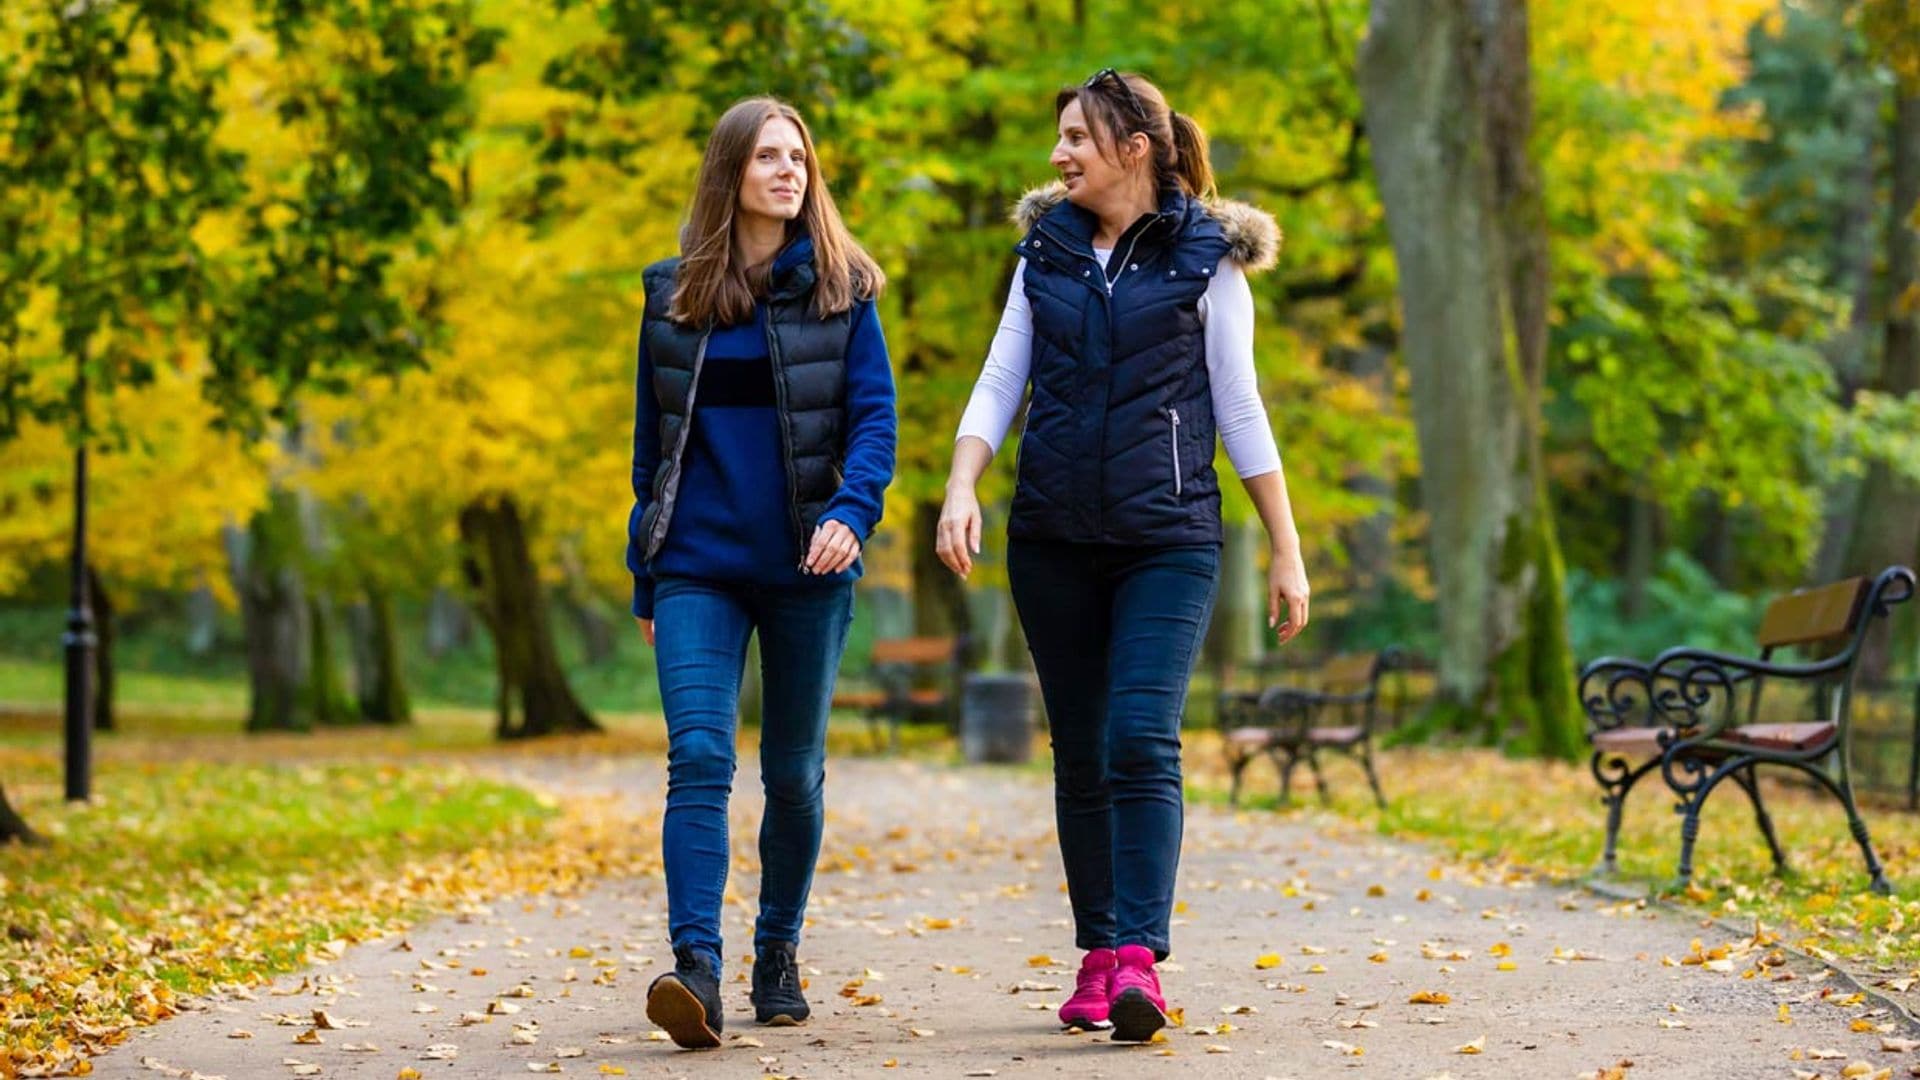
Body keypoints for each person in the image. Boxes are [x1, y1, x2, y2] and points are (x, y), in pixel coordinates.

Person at [935, 69, 1307, 1043]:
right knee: (1082, 752)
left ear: (1133, 146)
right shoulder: (1043, 252)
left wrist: (1285, 546)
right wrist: (962, 485)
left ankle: (1140, 956)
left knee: (1141, 735)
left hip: (1167, 538)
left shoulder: (1207, 259)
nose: (1059, 157)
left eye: (1075, 139)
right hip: (1052, 536)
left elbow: (1240, 403)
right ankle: (1097, 953)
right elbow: (999, 377)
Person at [628, 96, 896, 1049]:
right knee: (699, 757)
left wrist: (850, 514)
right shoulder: (671, 297)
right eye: (771, 157)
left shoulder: (845, 290)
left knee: (793, 774)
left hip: (806, 568)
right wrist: (645, 578)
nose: (791, 171)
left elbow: (874, 425)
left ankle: (775, 950)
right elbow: (650, 452)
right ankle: (693, 968)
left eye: (801, 157)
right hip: (697, 567)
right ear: (731, 172)